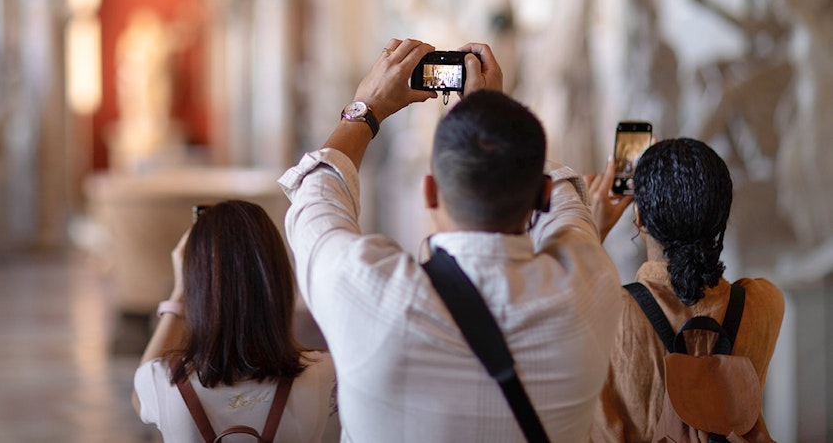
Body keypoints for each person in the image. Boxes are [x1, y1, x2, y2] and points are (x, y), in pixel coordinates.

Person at [278, 38, 622, 442]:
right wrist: (491, 120)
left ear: (430, 193)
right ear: (539, 197)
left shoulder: (367, 291)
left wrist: (367, 107)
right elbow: (569, 208)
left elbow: (316, 193)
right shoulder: (591, 285)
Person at [587, 138, 785, 442]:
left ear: (639, 216)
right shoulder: (764, 304)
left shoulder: (605, 312)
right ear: (722, 218)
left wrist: (591, 229)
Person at [132, 200, 337, 442]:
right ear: (279, 281)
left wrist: (179, 293)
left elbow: (139, 395)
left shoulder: (162, 382)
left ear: (196, 289)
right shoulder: (325, 373)